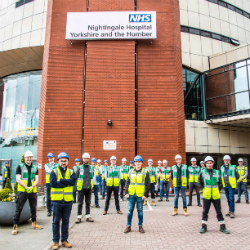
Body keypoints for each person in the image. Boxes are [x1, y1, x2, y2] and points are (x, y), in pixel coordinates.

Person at [12, 150, 43, 235]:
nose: (29, 159)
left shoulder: (35, 167)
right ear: (25, 158)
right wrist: (26, 187)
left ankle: (34, 223)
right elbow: (18, 179)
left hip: (32, 191)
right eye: (28, 157)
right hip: (22, 191)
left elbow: (36, 179)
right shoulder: (20, 167)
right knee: (19, 208)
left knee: (33, 207)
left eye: (30, 157)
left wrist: (32, 187)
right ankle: (15, 226)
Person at [50, 152, 76, 250]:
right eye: (61, 161)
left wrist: (60, 181)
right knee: (56, 222)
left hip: (68, 201)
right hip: (57, 201)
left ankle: (64, 240)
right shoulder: (54, 171)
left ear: (68, 161)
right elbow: (53, 184)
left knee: (65, 221)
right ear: (58, 162)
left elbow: (72, 182)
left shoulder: (71, 172)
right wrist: (66, 183)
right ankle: (55, 241)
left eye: (65, 161)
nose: (63, 163)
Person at [199, 156, 230, 234]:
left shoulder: (217, 172)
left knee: (219, 211)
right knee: (205, 212)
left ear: (213, 163)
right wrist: (204, 190)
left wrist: (216, 190)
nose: (209, 165)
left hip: (216, 195)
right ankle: (204, 227)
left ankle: (222, 227)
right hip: (206, 195)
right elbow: (200, 183)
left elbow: (220, 183)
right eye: (208, 163)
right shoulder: (202, 172)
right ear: (205, 164)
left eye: (210, 163)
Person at [124, 155, 150, 234]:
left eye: (139, 162)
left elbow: (147, 184)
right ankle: (128, 226)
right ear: (134, 163)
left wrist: (145, 194)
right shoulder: (130, 171)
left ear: (141, 163)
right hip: (131, 194)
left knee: (140, 211)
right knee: (129, 211)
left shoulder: (145, 171)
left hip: (140, 195)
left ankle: (140, 226)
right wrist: (126, 192)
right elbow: (127, 182)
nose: (138, 163)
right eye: (136, 162)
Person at [75, 153, 94, 224]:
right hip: (81, 188)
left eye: (87, 158)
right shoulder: (79, 168)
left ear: (88, 159)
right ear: (82, 159)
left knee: (88, 202)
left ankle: (88, 216)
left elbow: (92, 177)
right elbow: (76, 177)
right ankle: (79, 217)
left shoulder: (91, 168)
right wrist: (76, 189)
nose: (86, 159)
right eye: (84, 158)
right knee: (80, 203)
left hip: (88, 188)